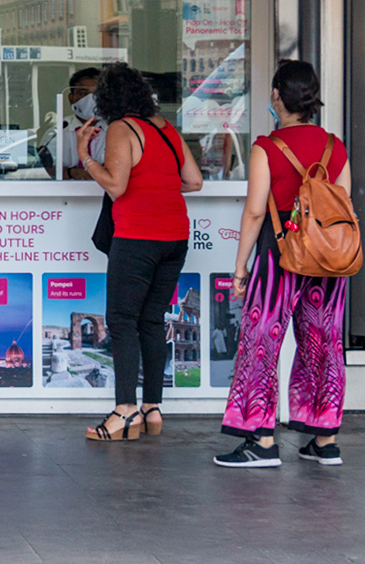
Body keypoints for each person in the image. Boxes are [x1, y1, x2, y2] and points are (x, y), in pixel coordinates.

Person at [216, 59, 350, 468]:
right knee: (324, 341)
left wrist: (240, 268)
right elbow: (342, 205)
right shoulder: (335, 146)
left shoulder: (267, 148)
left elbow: (255, 212)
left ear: (277, 95)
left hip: (280, 256)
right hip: (328, 259)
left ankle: (262, 441)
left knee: (262, 342)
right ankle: (325, 441)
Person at [76, 63, 202, 441]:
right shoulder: (166, 129)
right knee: (151, 320)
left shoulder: (122, 128)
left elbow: (116, 185)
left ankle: (124, 411)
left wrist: (85, 155)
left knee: (121, 321)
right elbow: (193, 181)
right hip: (175, 236)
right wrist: (157, 185)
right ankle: (152, 408)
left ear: (107, 98)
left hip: (138, 237)